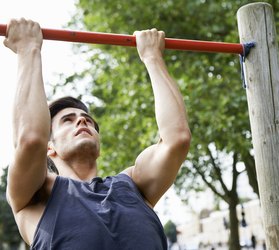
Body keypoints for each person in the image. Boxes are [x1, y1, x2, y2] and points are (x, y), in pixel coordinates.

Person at [4, 18, 191, 249]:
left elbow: (177, 138)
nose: (82, 119)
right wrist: (28, 50)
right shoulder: (36, 197)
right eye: (67, 120)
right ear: (49, 147)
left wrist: (152, 57)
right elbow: (30, 139)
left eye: (88, 120)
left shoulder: (133, 185)